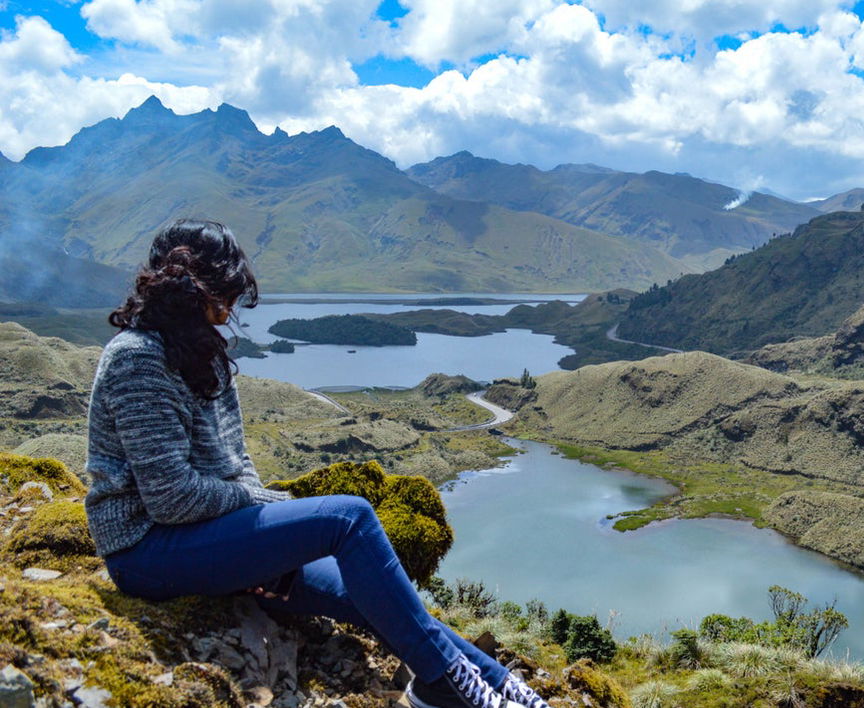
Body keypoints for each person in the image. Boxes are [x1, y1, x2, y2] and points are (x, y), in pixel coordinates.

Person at [83, 219, 547, 708]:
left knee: (374, 593)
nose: (228, 313)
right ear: (188, 286)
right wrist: (262, 511)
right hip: (147, 552)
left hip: (210, 536)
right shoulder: (136, 359)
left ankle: (498, 683)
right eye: (224, 297)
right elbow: (171, 499)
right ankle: (444, 688)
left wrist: (260, 545)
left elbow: (237, 464)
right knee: (349, 517)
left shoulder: (204, 356)